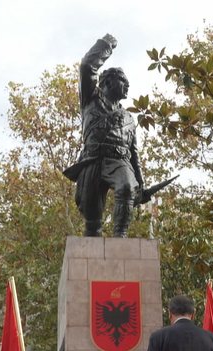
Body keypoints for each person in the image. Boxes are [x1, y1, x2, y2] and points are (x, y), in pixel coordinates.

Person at [63, 33, 144, 237]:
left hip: (119, 161)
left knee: (126, 187)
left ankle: (121, 236)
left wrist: (140, 183)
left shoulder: (128, 118)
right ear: (107, 82)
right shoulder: (90, 98)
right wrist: (106, 45)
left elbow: (134, 153)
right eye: (123, 82)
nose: (127, 87)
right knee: (92, 224)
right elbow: (86, 67)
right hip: (92, 161)